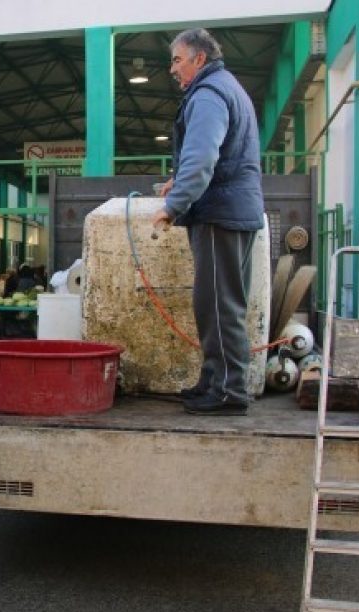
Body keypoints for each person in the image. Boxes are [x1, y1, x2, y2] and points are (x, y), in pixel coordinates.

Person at [150, 28, 265, 416]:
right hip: (231, 210)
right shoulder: (224, 86)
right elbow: (217, 155)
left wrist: (173, 204)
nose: (173, 68)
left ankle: (230, 391)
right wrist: (177, 180)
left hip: (221, 213)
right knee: (215, 303)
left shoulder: (209, 95)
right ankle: (215, 380)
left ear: (199, 59)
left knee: (218, 304)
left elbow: (203, 160)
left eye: (177, 59)